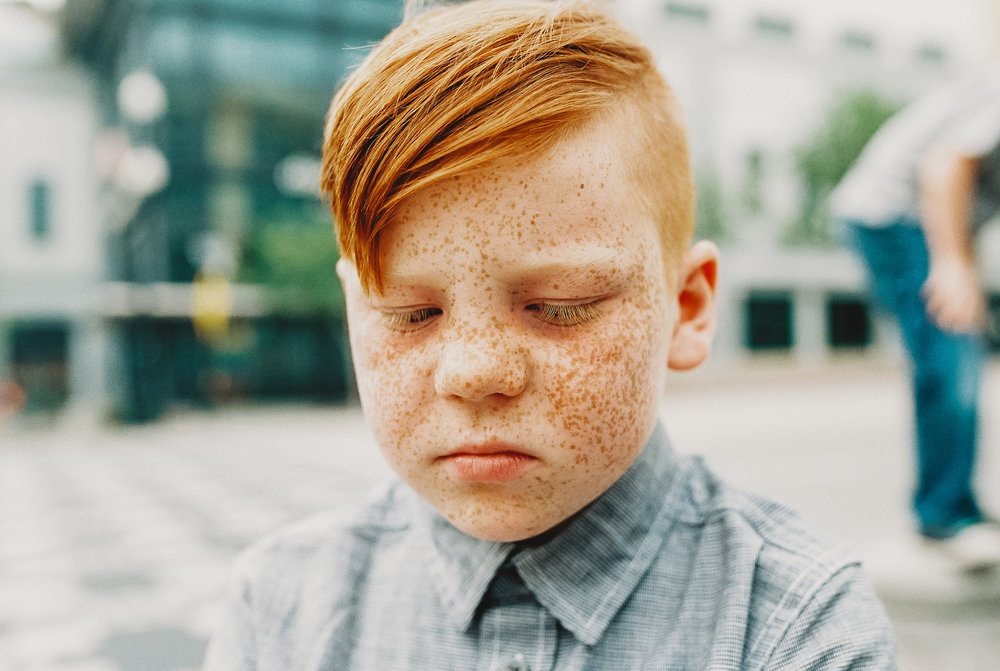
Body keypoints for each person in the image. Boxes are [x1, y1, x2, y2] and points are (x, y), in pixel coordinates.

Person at [204, 1, 896, 668]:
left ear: (686, 307)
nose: (473, 370)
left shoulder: (794, 627)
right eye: (410, 313)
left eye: (561, 304)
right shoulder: (280, 608)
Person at [831, 65, 1000, 571]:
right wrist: (952, 265)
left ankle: (955, 506)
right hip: (893, 218)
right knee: (950, 353)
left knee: (958, 350)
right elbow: (944, 166)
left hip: (924, 221)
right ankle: (945, 515)